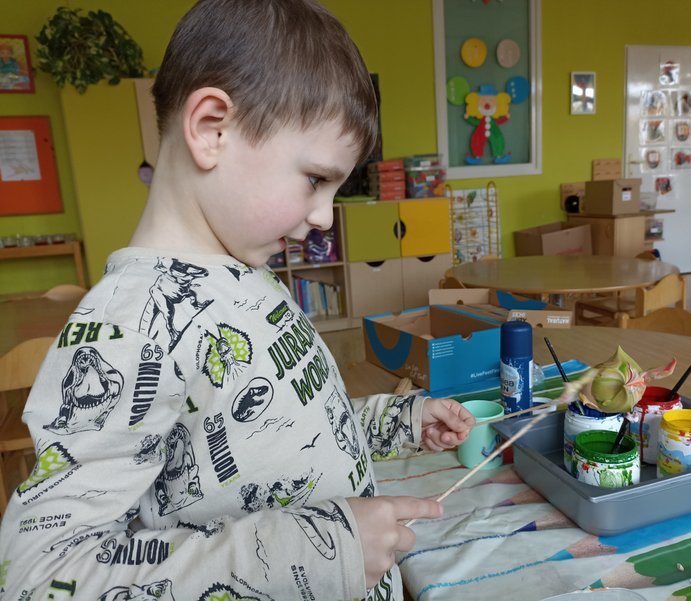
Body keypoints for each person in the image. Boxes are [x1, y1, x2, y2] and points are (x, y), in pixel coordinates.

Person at [0, 1, 475, 599]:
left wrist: (396, 422)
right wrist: (316, 550)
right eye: (315, 179)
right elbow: (39, 577)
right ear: (211, 129)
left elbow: (286, 430)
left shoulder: (249, 274)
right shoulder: (130, 328)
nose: (324, 217)